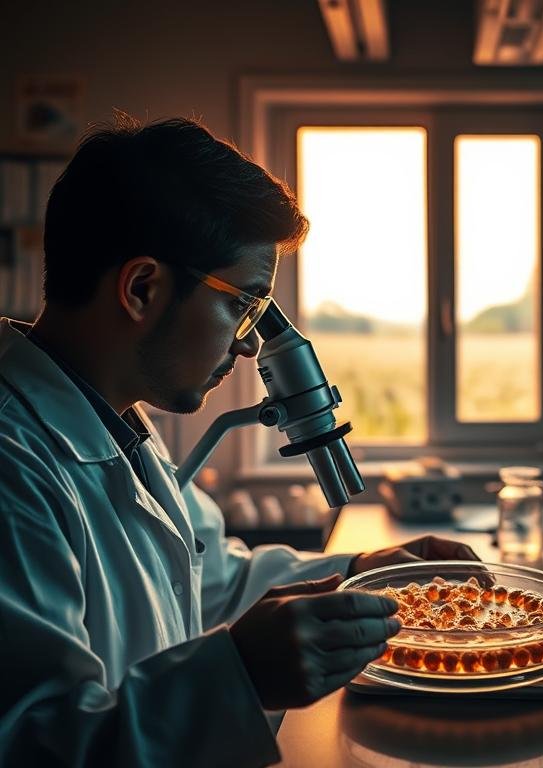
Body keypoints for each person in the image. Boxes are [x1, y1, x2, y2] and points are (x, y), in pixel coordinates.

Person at [0, 114, 480, 766]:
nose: (250, 342)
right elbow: (36, 747)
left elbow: (206, 579)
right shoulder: (13, 467)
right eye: (243, 304)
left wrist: (360, 574)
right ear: (143, 288)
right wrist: (243, 679)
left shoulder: (119, 423)